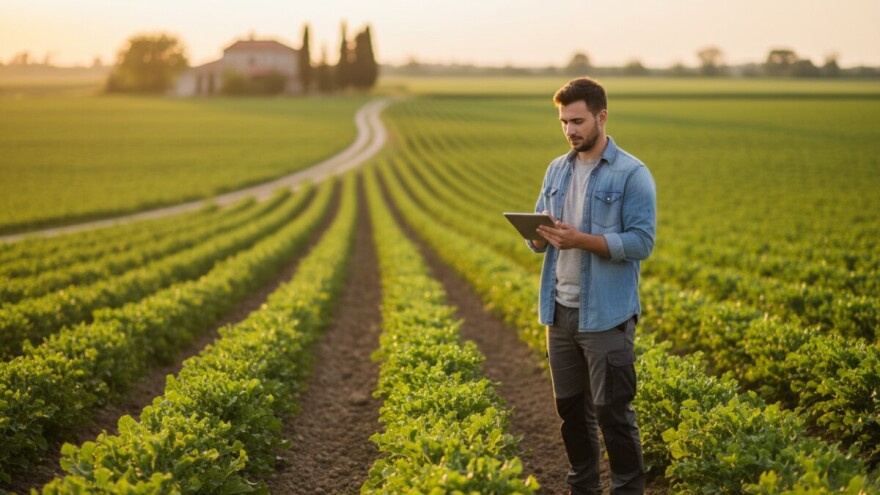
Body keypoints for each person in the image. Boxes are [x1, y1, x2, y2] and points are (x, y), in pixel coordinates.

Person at [527, 77, 656, 494]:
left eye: (578, 121)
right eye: (564, 122)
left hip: (606, 315)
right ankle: (583, 487)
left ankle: (627, 488)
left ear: (602, 117)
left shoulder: (632, 174)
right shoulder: (556, 169)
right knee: (570, 412)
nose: (570, 130)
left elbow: (642, 242)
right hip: (559, 312)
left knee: (612, 413)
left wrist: (581, 239)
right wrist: (536, 236)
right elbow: (540, 229)